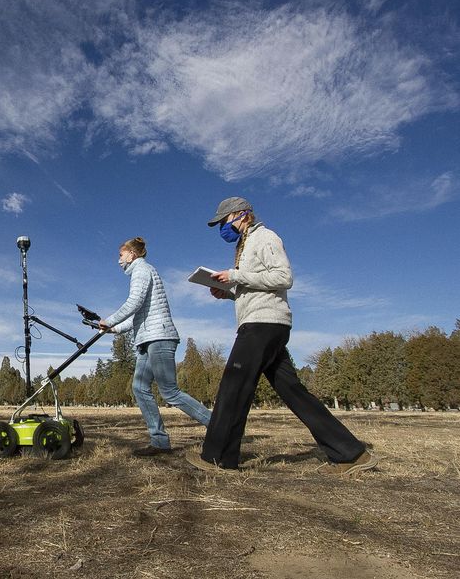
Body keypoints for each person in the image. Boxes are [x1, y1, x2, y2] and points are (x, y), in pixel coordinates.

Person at [185, 197, 377, 475]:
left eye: (224, 221)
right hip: (265, 322)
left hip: (263, 324)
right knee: (295, 393)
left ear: (241, 215)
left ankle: (218, 458)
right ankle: (351, 454)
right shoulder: (245, 244)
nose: (222, 228)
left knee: (234, 387)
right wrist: (228, 291)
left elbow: (284, 277)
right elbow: (256, 284)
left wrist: (236, 276)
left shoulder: (266, 237)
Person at [99, 237, 212, 456]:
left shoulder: (141, 270)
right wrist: (113, 329)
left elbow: (134, 302)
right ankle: (159, 442)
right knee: (139, 388)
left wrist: (109, 320)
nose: (119, 260)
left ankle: (217, 426)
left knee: (169, 392)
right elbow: (138, 316)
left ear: (132, 255)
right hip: (147, 338)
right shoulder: (141, 271)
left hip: (159, 337)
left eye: (121, 255)